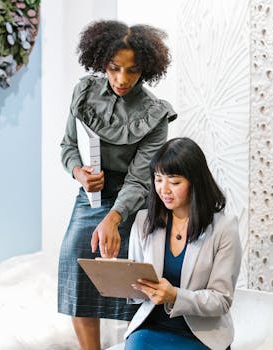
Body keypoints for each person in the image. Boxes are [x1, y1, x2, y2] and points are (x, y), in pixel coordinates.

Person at [58, 20, 176, 350]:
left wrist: (114, 218)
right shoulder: (83, 92)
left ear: (146, 69)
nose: (122, 79)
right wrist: (78, 173)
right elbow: (67, 146)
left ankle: (133, 345)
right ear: (102, 62)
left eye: (133, 71)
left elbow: (141, 179)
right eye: (114, 68)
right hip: (91, 197)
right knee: (75, 262)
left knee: (133, 281)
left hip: (135, 202)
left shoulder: (155, 115)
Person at [125, 137, 242, 350]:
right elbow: (135, 288)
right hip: (152, 328)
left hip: (203, 334)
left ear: (195, 181)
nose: (164, 189)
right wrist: (120, 279)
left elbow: (222, 300)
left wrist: (175, 296)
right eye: (158, 179)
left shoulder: (225, 228)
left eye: (174, 181)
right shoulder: (144, 221)